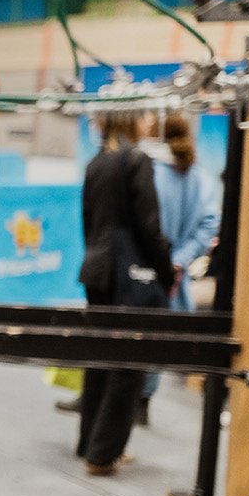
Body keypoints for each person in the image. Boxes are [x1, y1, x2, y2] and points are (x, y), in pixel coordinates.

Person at [75, 110, 175, 475]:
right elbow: (150, 227)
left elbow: (87, 221)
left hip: (97, 270)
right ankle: (102, 455)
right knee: (128, 365)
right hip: (128, 275)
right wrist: (165, 272)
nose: (151, 119)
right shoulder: (137, 160)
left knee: (100, 358)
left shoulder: (96, 162)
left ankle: (89, 443)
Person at [137, 112, 219, 424]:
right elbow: (208, 225)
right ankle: (144, 400)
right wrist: (180, 259)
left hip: (145, 271)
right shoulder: (199, 177)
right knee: (159, 339)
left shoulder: (148, 173)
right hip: (176, 274)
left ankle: (131, 402)